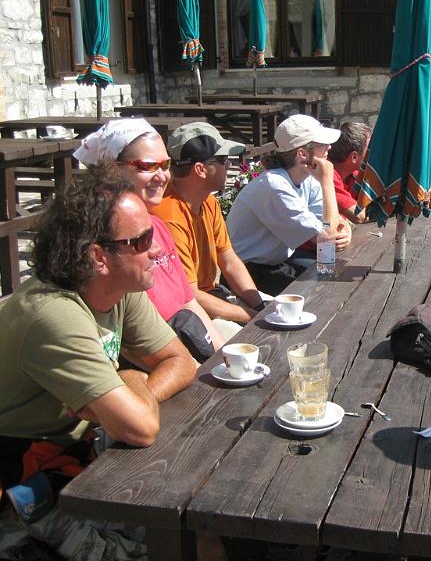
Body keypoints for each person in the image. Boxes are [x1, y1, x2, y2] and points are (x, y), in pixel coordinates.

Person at [0, 164, 197, 559]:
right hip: (25, 483)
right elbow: (140, 429)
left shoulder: (120, 287)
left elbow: (182, 361)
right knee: (175, 539)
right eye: (142, 240)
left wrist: (131, 383)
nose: (157, 249)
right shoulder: (53, 314)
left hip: (80, 458)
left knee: (196, 525)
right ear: (98, 256)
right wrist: (129, 382)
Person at [74, 118, 228, 359]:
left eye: (165, 164)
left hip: (184, 337)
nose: (163, 176)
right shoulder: (102, 243)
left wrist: (222, 358)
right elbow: (126, 340)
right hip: (155, 356)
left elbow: (188, 301)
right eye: (147, 166)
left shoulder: (158, 226)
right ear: (113, 170)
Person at [152, 122, 265, 325]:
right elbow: (190, 295)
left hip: (211, 299)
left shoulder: (208, 201)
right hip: (188, 312)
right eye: (223, 159)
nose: (229, 164)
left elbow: (229, 261)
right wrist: (253, 317)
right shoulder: (168, 215)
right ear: (200, 169)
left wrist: (260, 307)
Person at [226, 114, 352, 296]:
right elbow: (327, 241)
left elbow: (331, 232)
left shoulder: (307, 178)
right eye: (322, 143)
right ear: (302, 153)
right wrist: (327, 180)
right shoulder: (275, 185)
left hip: (278, 262)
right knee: (326, 290)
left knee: (335, 277)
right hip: (249, 273)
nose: (329, 147)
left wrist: (345, 229)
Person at [327, 121, 372, 223]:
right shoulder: (328, 175)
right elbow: (359, 216)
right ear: (354, 157)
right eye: (369, 149)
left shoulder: (354, 174)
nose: (373, 153)